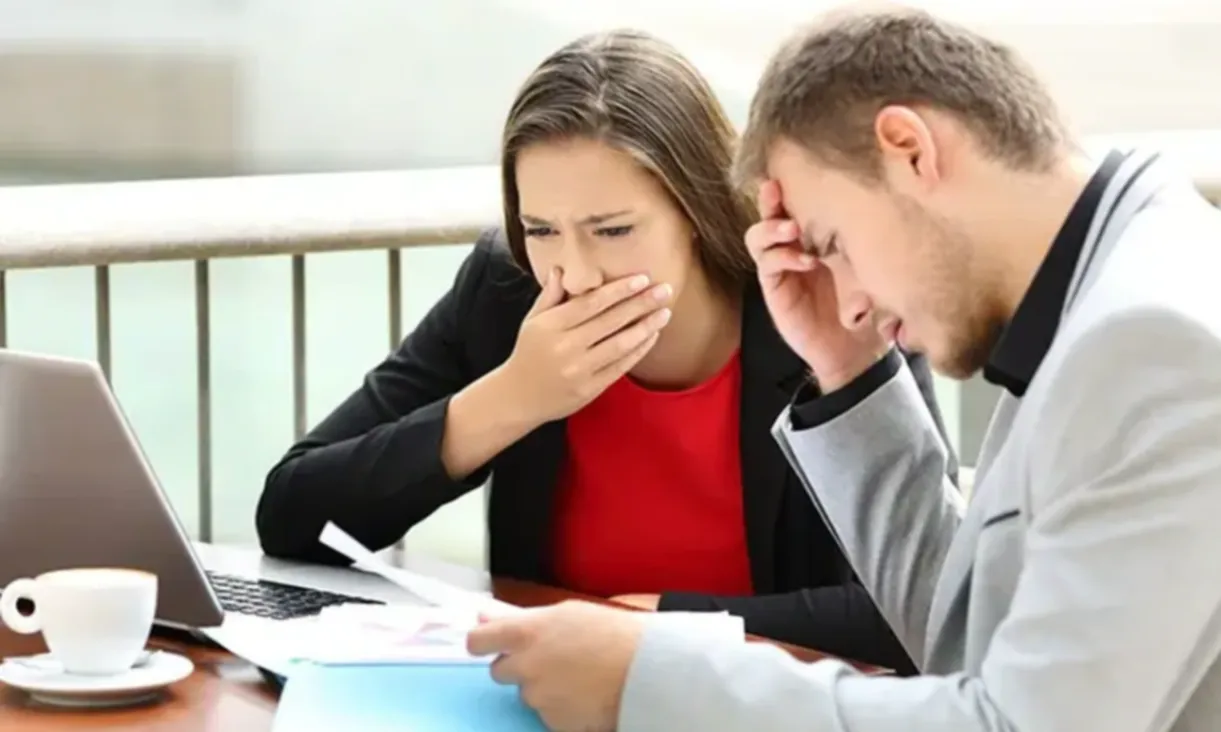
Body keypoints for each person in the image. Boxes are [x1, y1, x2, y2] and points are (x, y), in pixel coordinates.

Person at [465, 7, 1221, 732]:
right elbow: (960, 644)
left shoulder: (1150, 344)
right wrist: (849, 371)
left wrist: (651, 676)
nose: (849, 299)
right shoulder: (1115, 283)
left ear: (910, 149)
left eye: (830, 242)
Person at [255, 28, 954, 672]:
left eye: (612, 230)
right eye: (541, 229)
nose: (575, 272)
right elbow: (292, 517)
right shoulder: (507, 292)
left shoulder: (820, 304)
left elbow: (924, 606)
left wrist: (655, 625)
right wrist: (509, 400)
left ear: (697, 209)